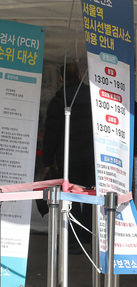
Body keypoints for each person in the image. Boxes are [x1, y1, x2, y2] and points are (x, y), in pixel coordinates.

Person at [42, 62, 94, 254]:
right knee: (91, 194)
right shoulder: (94, 97)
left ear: (62, 79)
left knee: (70, 196)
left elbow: (51, 133)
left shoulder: (58, 101)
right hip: (91, 156)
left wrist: (47, 161)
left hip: (68, 156)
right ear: (80, 76)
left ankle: (73, 239)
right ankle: (90, 234)